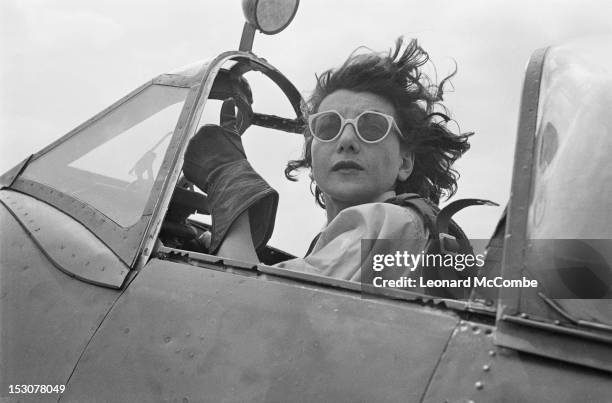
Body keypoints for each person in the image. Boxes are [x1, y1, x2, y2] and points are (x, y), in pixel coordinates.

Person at [183, 38, 471, 282]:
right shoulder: (361, 242)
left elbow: (242, 302)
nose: (346, 140)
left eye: (371, 127)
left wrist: (229, 180)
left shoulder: (390, 222)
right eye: (328, 127)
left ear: (405, 162)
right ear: (312, 152)